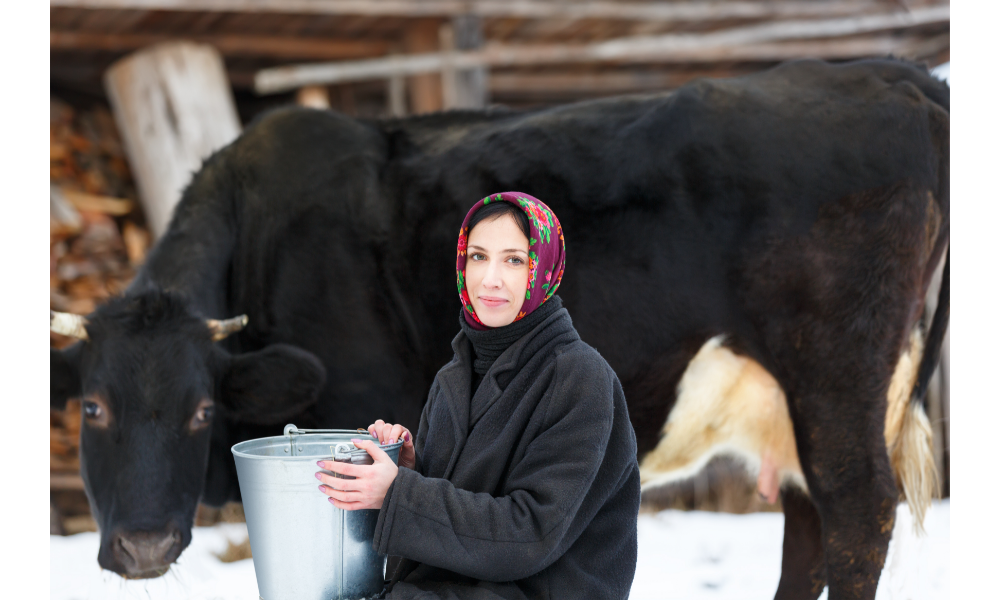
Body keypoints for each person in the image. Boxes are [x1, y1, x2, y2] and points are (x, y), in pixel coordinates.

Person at [315, 192, 640, 599]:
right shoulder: (454, 376)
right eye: (478, 256)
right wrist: (412, 468)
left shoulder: (580, 377)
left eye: (514, 260)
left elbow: (529, 534)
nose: (490, 279)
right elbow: (460, 506)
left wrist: (399, 492)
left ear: (544, 270)